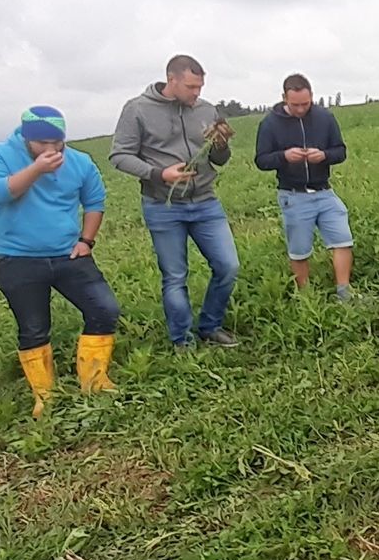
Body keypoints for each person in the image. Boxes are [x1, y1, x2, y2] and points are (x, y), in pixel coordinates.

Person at [0, 106, 121, 418]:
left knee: (104, 309)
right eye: (42, 143)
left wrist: (86, 241)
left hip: (68, 254)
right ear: (26, 138)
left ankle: (94, 381)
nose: (52, 149)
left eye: (58, 142)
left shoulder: (80, 161)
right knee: (33, 327)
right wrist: (35, 170)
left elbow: (94, 201)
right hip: (17, 258)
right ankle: (45, 395)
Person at [110, 55, 241, 349]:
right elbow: (119, 156)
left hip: (205, 201)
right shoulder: (138, 109)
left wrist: (221, 145)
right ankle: (182, 341)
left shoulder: (206, 110)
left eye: (200, 86)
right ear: (172, 80)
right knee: (175, 276)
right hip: (163, 206)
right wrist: (159, 174)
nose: (197, 93)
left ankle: (210, 325)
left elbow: (220, 159)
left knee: (228, 266)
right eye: (191, 86)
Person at [255, 74, 354, 300]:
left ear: (312, 96)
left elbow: (340, 151)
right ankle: (306, 296)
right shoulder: (269, 123)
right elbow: (261, 160)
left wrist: (324, 155)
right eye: (295, 104)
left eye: (305, 104)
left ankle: (344, 293)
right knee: (299, 251)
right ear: (284, 98)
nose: (301, 109)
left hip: (324, 191)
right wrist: (284, 156)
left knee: (343, 240)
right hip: (293, 194)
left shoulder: (325, 118)